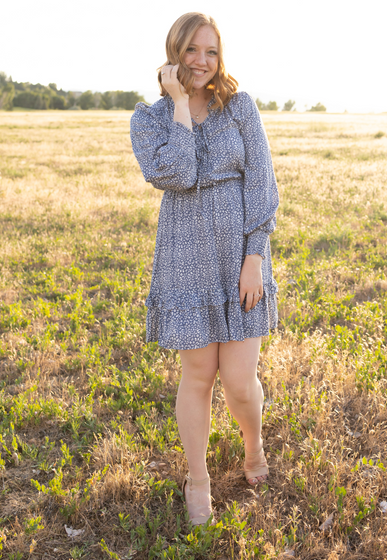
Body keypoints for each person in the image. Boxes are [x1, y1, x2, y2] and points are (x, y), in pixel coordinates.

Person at [130, 12, 279, 527]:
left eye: (211, 52)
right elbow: (178, 172)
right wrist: (177, 106)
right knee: (197, 375)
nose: (201, 61)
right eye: (192, 50)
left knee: (239, 380)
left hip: (239, 257)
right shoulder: (148, 119)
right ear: (175, 51)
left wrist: (254, 258)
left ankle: (253, 445)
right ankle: (198, 478)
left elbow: (261, 181)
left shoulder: (239, 107)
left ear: (221, 58)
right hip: (185, 258)